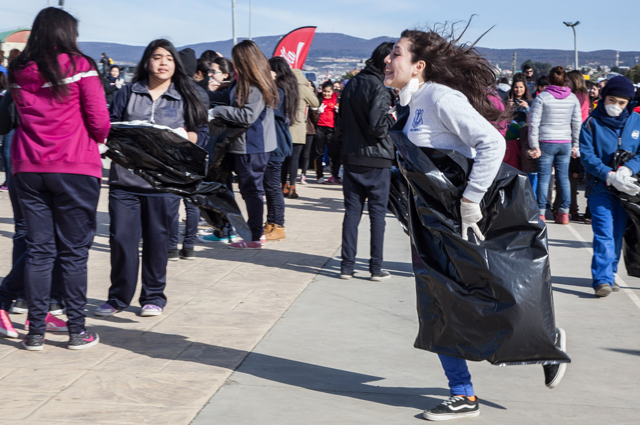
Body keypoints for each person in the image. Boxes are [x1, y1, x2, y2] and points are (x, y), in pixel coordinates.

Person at [384, 28, 567, 421]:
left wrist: (470, 201)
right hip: (431, 223)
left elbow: (491, 143)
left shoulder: (438, 96)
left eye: (395, 53)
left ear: (419, 66)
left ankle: (545, 341)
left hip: (461, 220)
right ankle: (463, 395)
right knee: (439, 303)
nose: (387, 59)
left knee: (483, 296)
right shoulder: (409, 102)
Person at [3, 7, 110, 350]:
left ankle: (34, 332)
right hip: (75, 165)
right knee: (74, 253)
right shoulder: (81, 66)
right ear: (67, 33)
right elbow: (99, 122)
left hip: (28, 167)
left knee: (38, 251)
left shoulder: (19, 70)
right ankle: (76, 330)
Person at [96, 39, 209, 318]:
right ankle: (118, 298)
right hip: (125, 181)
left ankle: (154, 297)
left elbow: (203, 133)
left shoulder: (186, 97)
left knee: (158, 242)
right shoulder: (127, 93)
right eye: (157, 57)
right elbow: (109, 126)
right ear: (147, 61)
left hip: (164, 183)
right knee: (122, 241)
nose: (162, 63)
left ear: (175, 65)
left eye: (168, 58)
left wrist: (187, 137)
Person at [208, 40, 278, 249]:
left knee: (251, 191)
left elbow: (247, 115)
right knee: (249, 190)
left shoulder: (255, 85)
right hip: (246, 144)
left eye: (236, 59)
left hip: (253, 146)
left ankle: (255, 236)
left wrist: (216, 112)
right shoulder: (243, 82)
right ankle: (252, 232)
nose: (233, 63)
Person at [339, 41, 395, 281]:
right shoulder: (380, 87)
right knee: (377, 216)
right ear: (386, 61)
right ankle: (375, 267)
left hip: (351, 156)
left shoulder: (351, 84)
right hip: (377, 158)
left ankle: (347, 266)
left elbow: (340, 123)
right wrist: (393, 117)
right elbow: (377, 127)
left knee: (352, 214)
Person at [580, 76, 640, 297]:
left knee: (617, 232)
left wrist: (628, 169)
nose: (615, 105)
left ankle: (610, 273)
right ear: (604, 98)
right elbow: (587, 156)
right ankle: (602, 279)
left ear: (628, 103)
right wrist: (609, 174)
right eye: (611, 99)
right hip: (600, 187)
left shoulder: (637, 122)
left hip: (626, 189)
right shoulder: (591, 123)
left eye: (621, 102)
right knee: (603, 231)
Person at [528, 66, 582, 224]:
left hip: (546, 141)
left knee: (544, 178)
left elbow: (533, 122)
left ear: (549, 80)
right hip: (565, 142)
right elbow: (577, 123)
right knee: (563, 178)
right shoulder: (572, 98)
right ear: (565, 80)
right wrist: (575, 144)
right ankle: (564, 213)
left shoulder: (542, 97)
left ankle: (541, 212)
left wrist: (534, 145)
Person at [263, 57, 296, 241]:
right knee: (270, 186)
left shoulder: (279, 92)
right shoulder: (283, 90)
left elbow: (268, 108)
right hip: (276, 143)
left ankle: (279, 225)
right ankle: (271, 222)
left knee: (273, 187)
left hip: (275, 145)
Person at [281, 68, 319, 198]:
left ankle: (283, 186)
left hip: (284, 126)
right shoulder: (303, 88)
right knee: (295, 159)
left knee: (284, 159)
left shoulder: (285, 87)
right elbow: (315, 102)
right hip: (298, 127)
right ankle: (292, 187)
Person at [314, 81, 340, 184]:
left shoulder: (337, 98)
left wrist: (339, 111)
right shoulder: (318, 98)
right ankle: (319, 176)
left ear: (332, 91)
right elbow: (312, 111)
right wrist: (317, 111)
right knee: (318, 153)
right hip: (320, 127)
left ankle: (334, 175)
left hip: (332, 128)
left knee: (333, 153)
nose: (326, 94)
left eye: (329, 92)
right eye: (325, 91)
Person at [300, 81, 319, 185]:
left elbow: (315, 119)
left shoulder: (314, 100)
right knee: (296, 153)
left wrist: (315, 111)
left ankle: (303, 174)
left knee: (306, 154)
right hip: (299, 128)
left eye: (310, 86)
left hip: (309, 129)